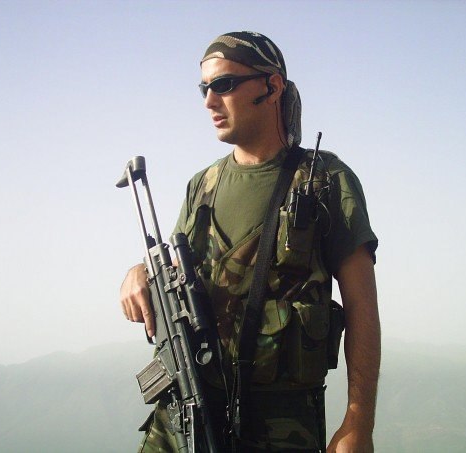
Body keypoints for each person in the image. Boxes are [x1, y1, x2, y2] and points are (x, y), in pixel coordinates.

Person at [120, 31, 380, 453]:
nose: (209, 101)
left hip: (279, 428)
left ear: (272, 87)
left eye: (224, 85)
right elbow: (173, 276)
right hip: (185, 413)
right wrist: (138, 272)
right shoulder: (202, 186)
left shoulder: (324, 181)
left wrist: (358, 423)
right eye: (204, 88)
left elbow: (362, 306)